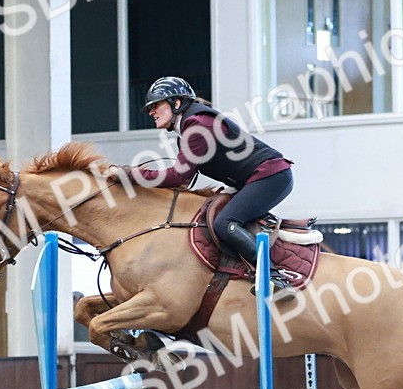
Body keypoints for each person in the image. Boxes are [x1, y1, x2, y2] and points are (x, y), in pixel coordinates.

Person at [126, 76, 296, 298]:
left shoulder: (197, 125)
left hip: (271, 177)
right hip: (258, 178)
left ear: (176, 103)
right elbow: (185, 182)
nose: (151, 112)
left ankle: (274, 276)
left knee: (224, 223)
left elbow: (177, 176)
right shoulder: (189, 130)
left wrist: (132, 174)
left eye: (156, 105)